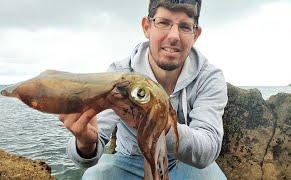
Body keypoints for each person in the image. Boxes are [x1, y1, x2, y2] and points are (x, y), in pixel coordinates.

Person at [59, 0, 228, 179]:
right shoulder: (120, 74)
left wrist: (156, 123)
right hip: (128, 162)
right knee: (93, 176)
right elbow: (90, 150)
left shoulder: (209, 77)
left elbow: (208, 148)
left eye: (185, 26)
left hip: (183, 164)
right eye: (163, 23)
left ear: (196, 34)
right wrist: (85, 143)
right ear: (147, 26)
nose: (174, 36)